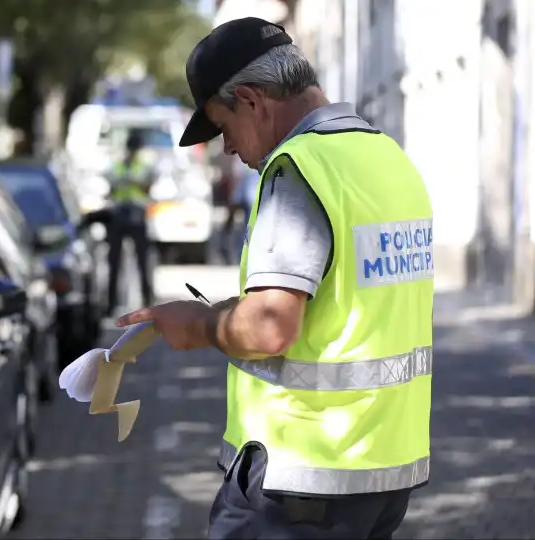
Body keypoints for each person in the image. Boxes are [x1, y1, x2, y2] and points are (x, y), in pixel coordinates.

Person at [116, 17, 433, 540]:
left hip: (301, 480)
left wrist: (196, 324)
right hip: (382, 471)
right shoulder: (387, 159)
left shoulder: (299, 170)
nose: (229, 150)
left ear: (252, 100)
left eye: (223, 128)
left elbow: (268, 328)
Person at [105, 130, 154, 314]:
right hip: (118, 217)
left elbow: (148, 187)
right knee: (114, 263)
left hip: (137, 217)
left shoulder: (143, 167)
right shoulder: (117, 166)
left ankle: (148, 300)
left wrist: (133, 181)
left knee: (143, 262)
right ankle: (111, 304)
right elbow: (110, 188)